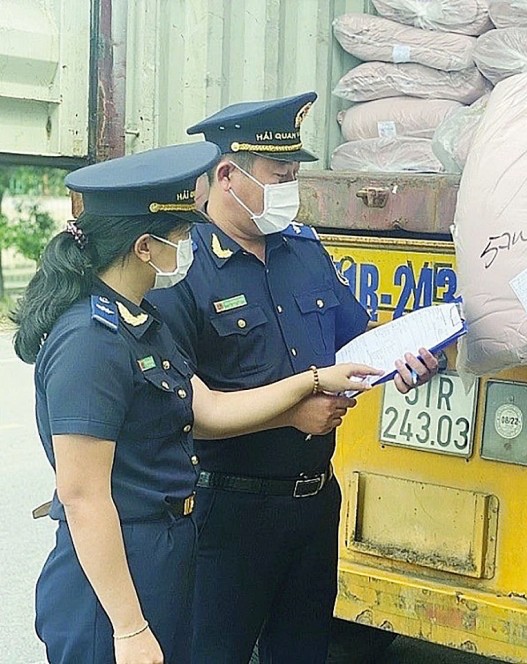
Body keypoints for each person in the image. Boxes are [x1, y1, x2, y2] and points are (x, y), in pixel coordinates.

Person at [12, 142, 379, 664]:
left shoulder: (143, 323)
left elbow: (205, 410)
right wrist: (129, 628)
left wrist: (312, 382)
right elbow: (82, 496)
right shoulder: (91, 340)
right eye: (183, 235)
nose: (191, 246)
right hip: (115, 570)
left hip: (164, 552)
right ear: (145, 247)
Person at [148, 93, 439, 663]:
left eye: (295, 176)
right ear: (227, 176)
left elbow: (356, 339)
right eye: (279, 177)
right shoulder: (182, 269)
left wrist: (408, 358)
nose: (291, 189)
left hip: (313, 504)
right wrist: (292, 412)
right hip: (226, 513)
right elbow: (180, 412)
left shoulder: (304, 250)